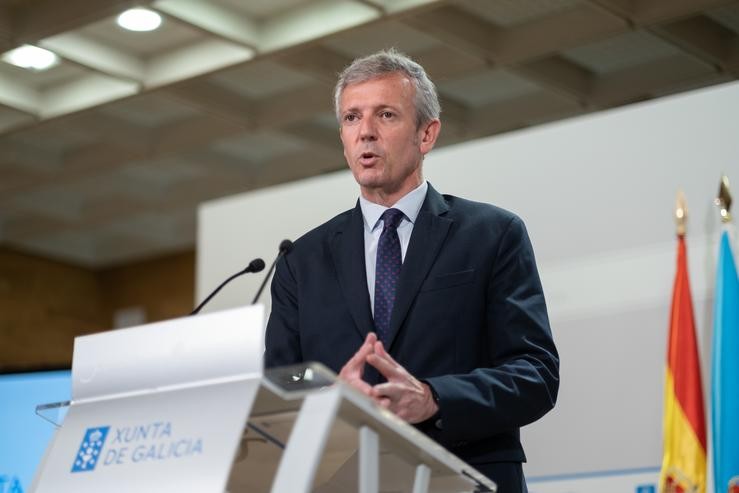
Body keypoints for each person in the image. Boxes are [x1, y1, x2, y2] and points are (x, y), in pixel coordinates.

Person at [265, 49, 559, 492]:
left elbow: (535, 374)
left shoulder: (492, 234)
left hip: (463, 476)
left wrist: (433, 399)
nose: (365, 132)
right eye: (351, 118)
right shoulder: (301, 262)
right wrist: (332, 401)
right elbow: (278, 394)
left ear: (426, 134)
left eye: (385, 115)